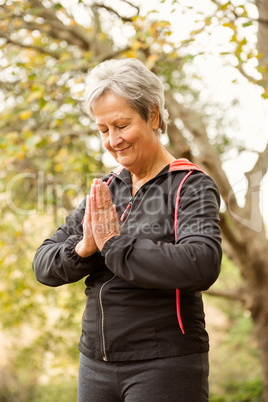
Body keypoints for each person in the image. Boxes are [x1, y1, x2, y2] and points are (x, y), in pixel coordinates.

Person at [33, 58, 222, 401]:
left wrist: (114, 245)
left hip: (165, 365)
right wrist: (84, 248)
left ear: (152, 115)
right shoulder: (106, 189)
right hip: (94, 364)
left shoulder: (190, 185)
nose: (112, 140)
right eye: (103, 130)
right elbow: (44, 264)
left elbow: (202, 263)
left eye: (121, 125)